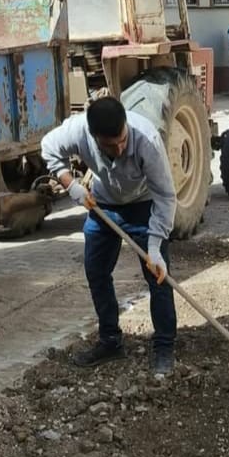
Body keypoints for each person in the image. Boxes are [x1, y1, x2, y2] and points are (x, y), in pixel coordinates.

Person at [40, 96, 178, 376]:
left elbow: (165, 196)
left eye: (122, 140)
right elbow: (48, 147)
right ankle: (110, 342)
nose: (119, 148)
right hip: (102, 206)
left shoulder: (146, 139)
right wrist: (71, 184)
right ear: (94, 137)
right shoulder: (79, 129)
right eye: (110, 145)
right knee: (96, 272)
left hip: (143, 205)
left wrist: (154, 247)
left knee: (158, 276)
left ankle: (164, 346)